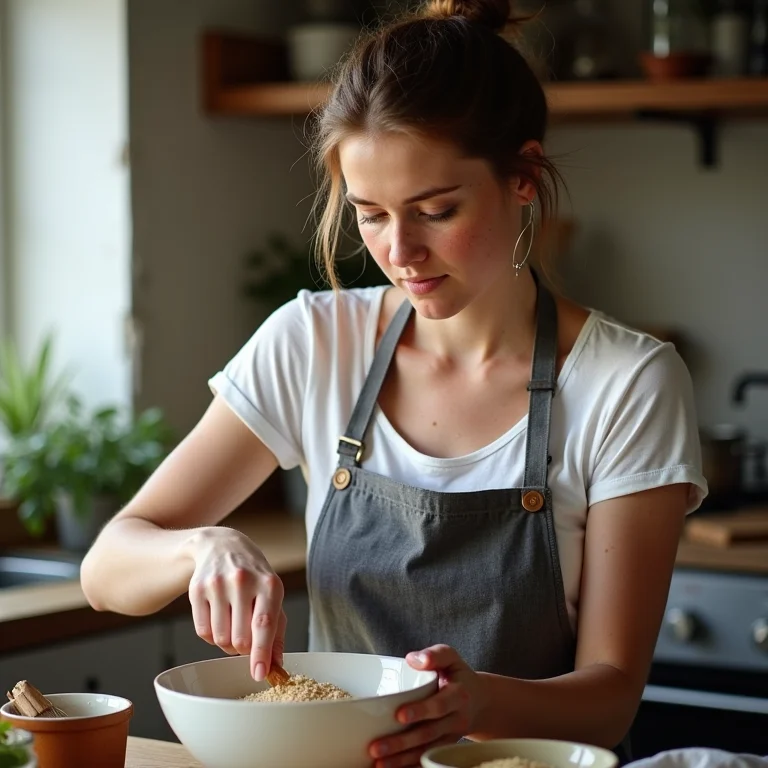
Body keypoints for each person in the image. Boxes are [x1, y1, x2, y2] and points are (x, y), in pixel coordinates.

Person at [80, 0, 708, 765]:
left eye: (436, 210)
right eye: (369, 215)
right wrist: (200, 549)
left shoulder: (628, 383)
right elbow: (108, 567)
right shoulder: (314, 342)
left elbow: (608, 701)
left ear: (522, 177)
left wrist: (477, 702)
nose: (400, 250)